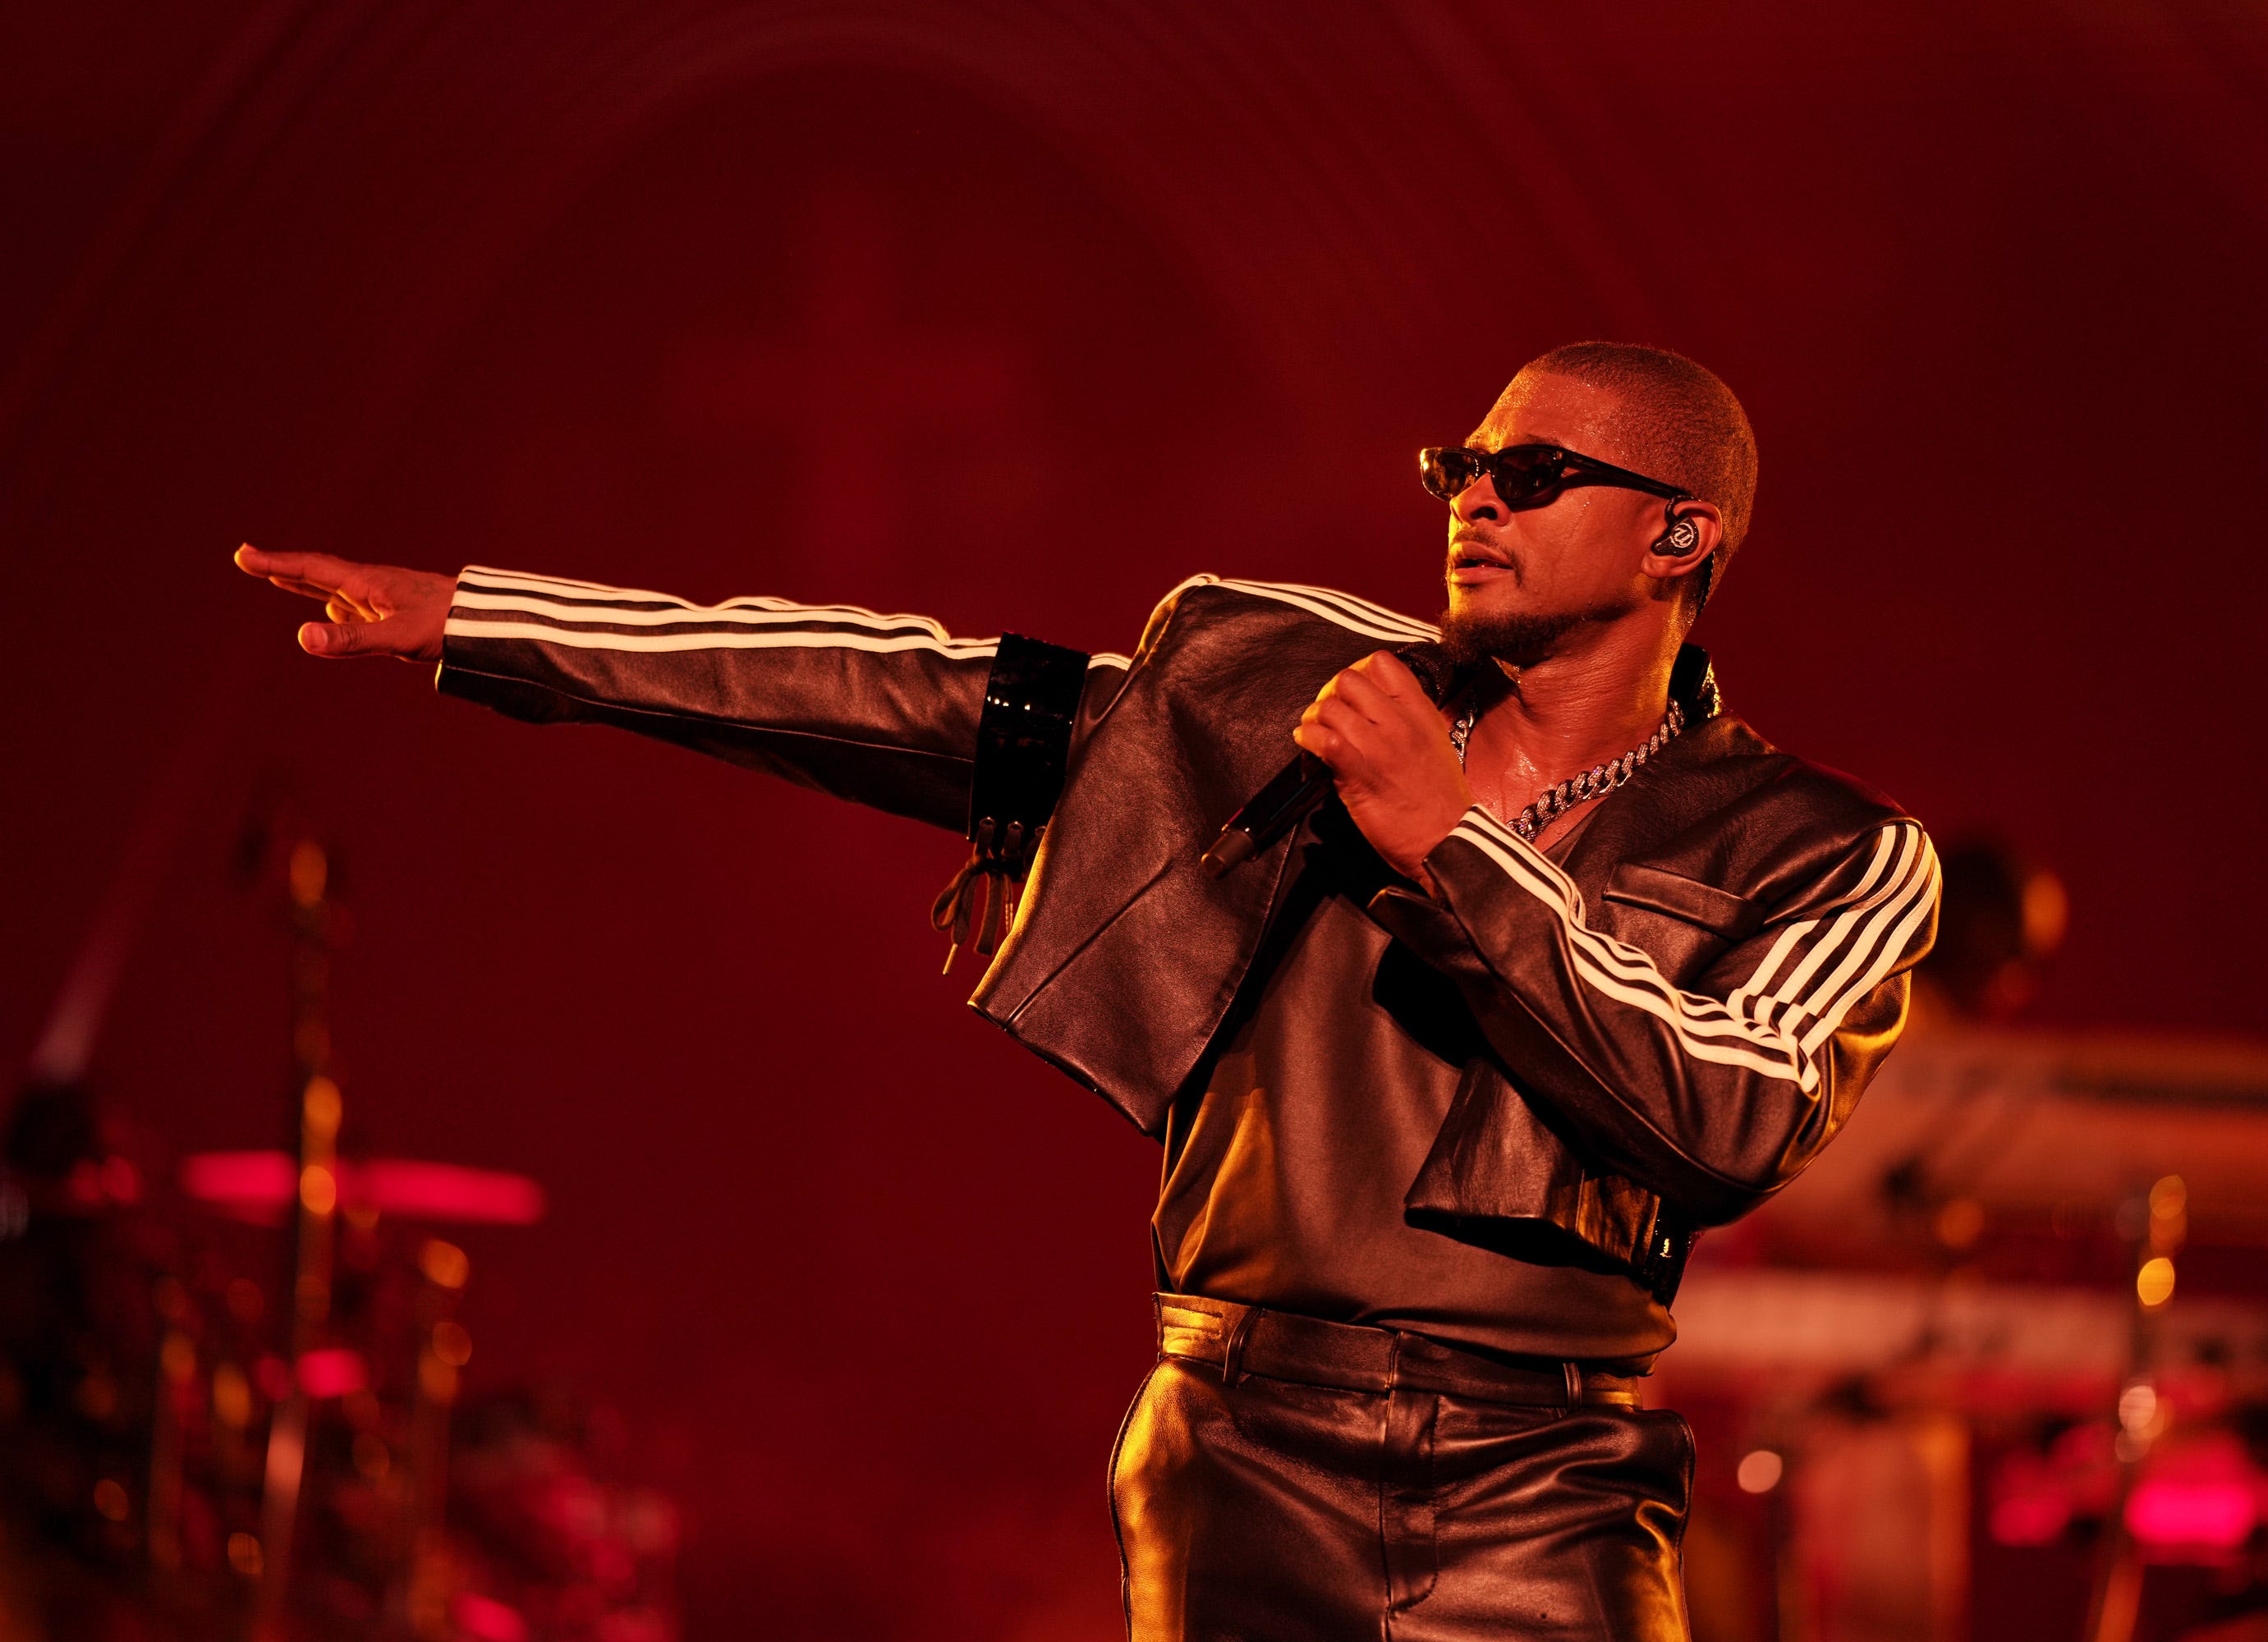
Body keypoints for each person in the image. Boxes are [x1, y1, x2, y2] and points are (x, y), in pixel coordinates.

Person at [236, 342, 1939, 1640]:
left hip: (1549, 1482)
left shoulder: (1830, 850)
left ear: (1679, 536)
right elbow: (903, 690)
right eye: (1462, 460)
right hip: (1240, 1437)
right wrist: (488, 620)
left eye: (1536, 468)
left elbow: (1732, 1109)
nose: (1474, 495)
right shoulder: (1294, 692)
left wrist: (1454, 845)